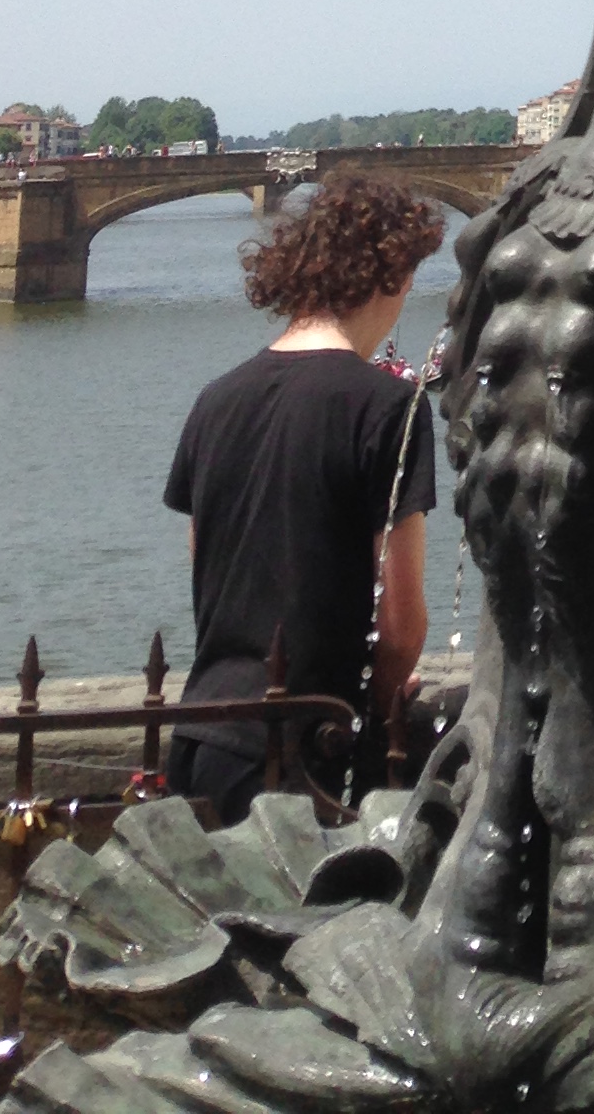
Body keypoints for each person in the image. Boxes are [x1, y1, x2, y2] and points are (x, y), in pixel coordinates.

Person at [163, 176, 446, 823]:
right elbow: (402, 622)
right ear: (392, 277)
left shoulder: (216, 399)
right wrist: (381, 702)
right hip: (303, 748)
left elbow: (207, 567)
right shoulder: (388, 407)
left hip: (201, 729)